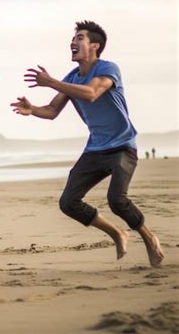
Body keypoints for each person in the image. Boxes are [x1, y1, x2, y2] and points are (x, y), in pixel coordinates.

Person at [11, 21, 164, 267]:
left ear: (95, 45)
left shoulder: (107, 69)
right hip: (95, 149)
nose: (73, 42)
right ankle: (116, 233)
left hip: (123, 146)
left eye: (79, 38)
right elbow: (51, 111)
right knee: (68, 203)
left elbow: (91, 93)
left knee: (117, 200)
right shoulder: (71, 78)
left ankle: (149, 238)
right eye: (73, 39)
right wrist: (33, 110)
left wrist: (51, 82)